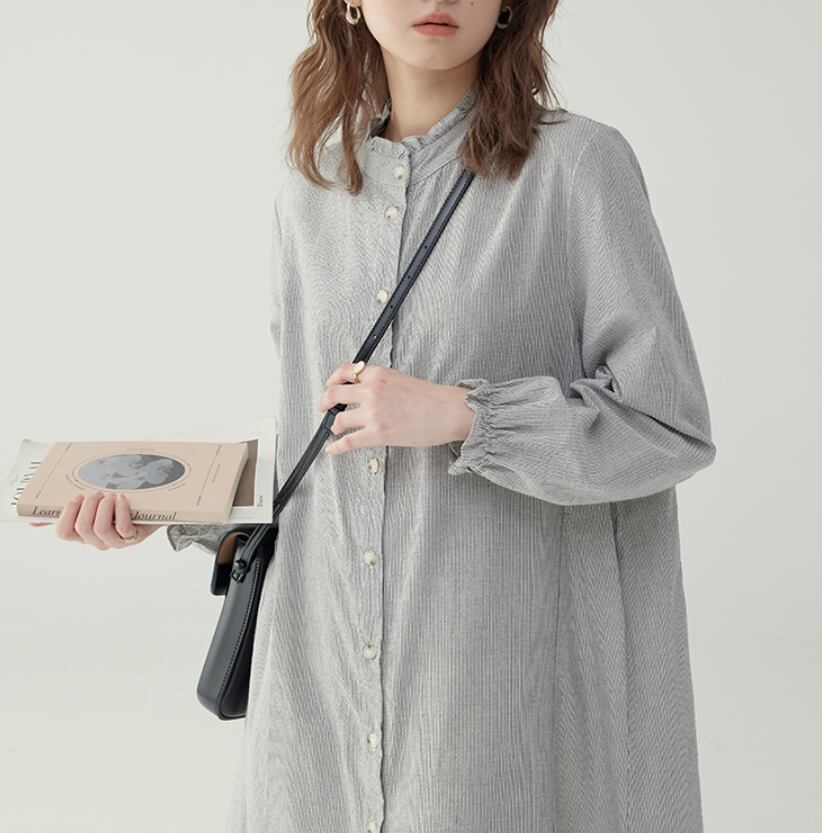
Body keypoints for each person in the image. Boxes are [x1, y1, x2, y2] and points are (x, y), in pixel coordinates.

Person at [38, 2, 717, 831]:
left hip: (492, 696)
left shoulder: (578, 167)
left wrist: (465, 414)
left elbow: (667, 424)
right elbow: (312, 450)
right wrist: (167, 509)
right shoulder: (311, 190)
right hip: (316, 695)